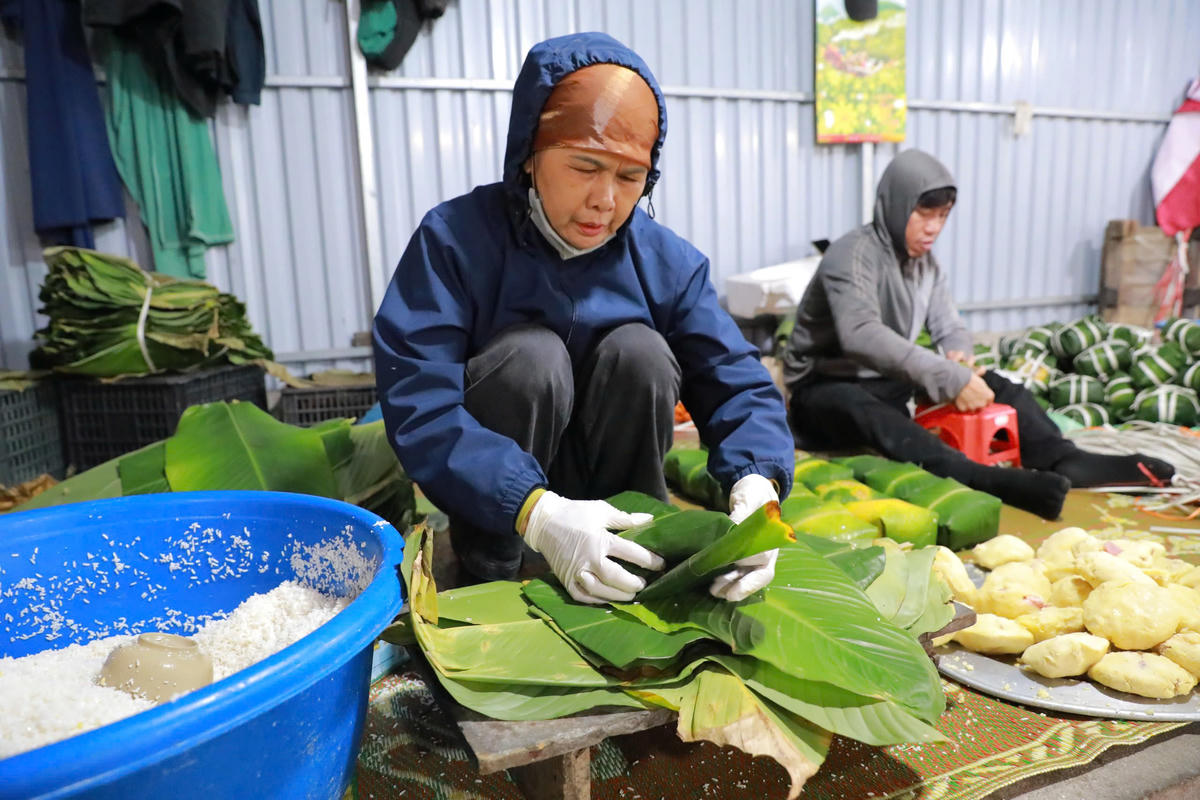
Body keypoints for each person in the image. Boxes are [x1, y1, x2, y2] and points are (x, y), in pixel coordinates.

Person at [373, 32, 794, 605]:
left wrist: (757, 484)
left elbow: (736, 381)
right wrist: (535, 511)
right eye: (584, 166)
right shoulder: (455, 242)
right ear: (529, 152)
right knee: (531, 358)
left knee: (639, 351)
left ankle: (634, 545)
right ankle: (492, 557)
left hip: (614, 502)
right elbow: (420, 403)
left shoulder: (666, 263)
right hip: (505, 507)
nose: (604, 200)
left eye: (629, 177)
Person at [781, 148, 1174, 520]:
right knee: (865, 410)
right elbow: (861, 335)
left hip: (887, 382)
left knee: (996, 384)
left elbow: (948, 325)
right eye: (924, 214)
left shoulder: (924, 265)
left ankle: (1061, 455)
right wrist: (947, 376)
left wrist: (958, 357)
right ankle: (977, 477)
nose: (934, 227)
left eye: (943, 215)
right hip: (823, 391)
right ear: (897, 206)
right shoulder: (851, 255)